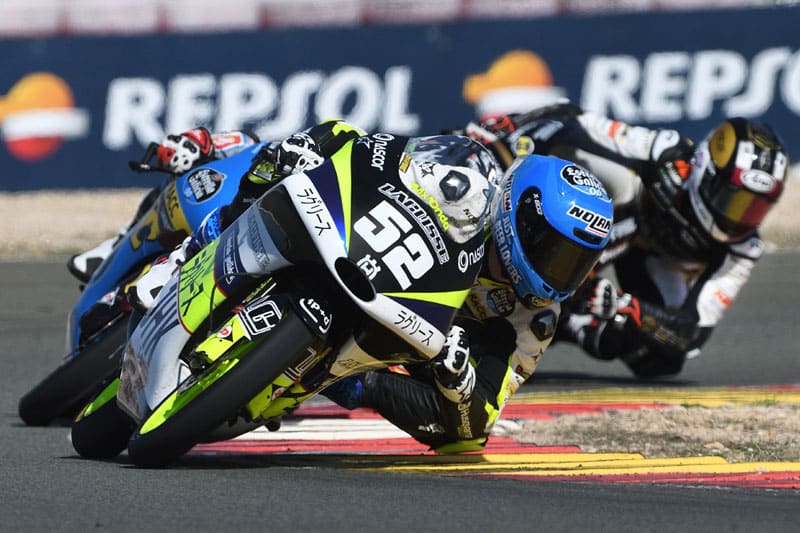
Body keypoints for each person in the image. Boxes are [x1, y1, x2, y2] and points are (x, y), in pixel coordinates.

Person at [126, 119, 613, 453]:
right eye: (556, 252)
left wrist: (458, 381)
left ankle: (336, 377)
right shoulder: (468, 184)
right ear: (518, 213)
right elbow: (379, 150)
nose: (561, 273)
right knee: (297, 154)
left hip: (393, 344)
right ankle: (193, 248)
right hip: (361, 244)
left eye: (578, 263)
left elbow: (477, 423)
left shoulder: (535, 318)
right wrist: (319, 148)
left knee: (458, 437)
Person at [459, 102, 789, 378]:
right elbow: (577, 121)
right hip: (603, 218)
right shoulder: (665, 151)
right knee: (608, 173)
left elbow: (692, 334)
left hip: (651, 261)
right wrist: (510, 129)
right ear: (706, 170)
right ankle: (482, 195)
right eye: (734, 201)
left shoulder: (743, 247)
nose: (739, 219)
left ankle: (569, 321)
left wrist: (626, 308)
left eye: (755, 209)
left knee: (662, 359)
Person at [67, 128, 259, 282]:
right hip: (206, 204)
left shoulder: (233, 146)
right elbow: (247, 140)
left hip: (243, 214)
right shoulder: (175, 177)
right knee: (167, 188)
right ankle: (120, 242)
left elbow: (253, 141)